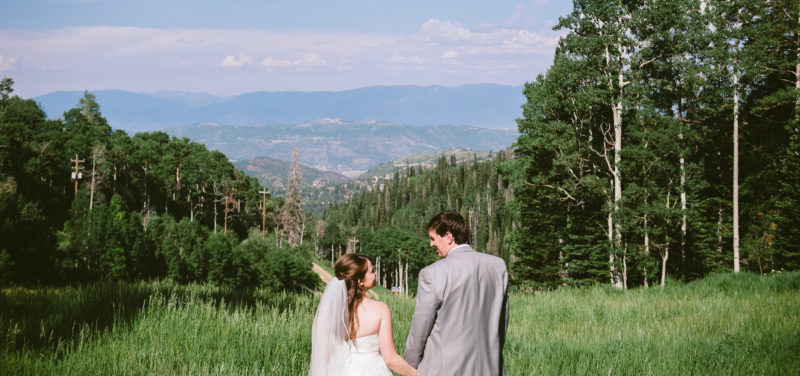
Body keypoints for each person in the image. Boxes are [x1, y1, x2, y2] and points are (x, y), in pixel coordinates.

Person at [405, 210, 509, 376]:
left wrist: (410, 366)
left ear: (448, 236)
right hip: (490, 368)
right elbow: (501, 324)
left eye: (433, 238)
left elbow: (420, 330)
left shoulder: (432, 273)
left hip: (445, 370)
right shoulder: (498, 267)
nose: (431, 244)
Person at [310, 253, 417, 376]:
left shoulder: (331, 313)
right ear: (360, 281)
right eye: (371, 272)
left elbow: (324, 358)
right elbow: (390, 359)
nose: (375, 274)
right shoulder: (380, 309)